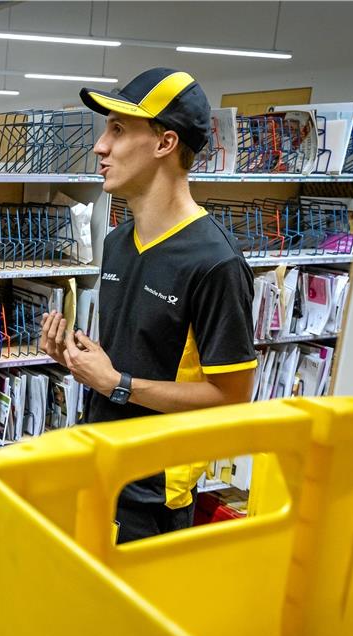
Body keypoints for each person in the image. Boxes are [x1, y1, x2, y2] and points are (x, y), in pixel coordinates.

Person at [40, 68, 257, 543]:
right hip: (99, 461)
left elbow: (233, 398)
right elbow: (141, 353)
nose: (100, 146)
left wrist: (116, 384)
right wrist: (78, 358)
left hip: (153, 493)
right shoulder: (118, 241)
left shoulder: (215, 263)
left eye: (118, 130)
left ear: (165, 144)